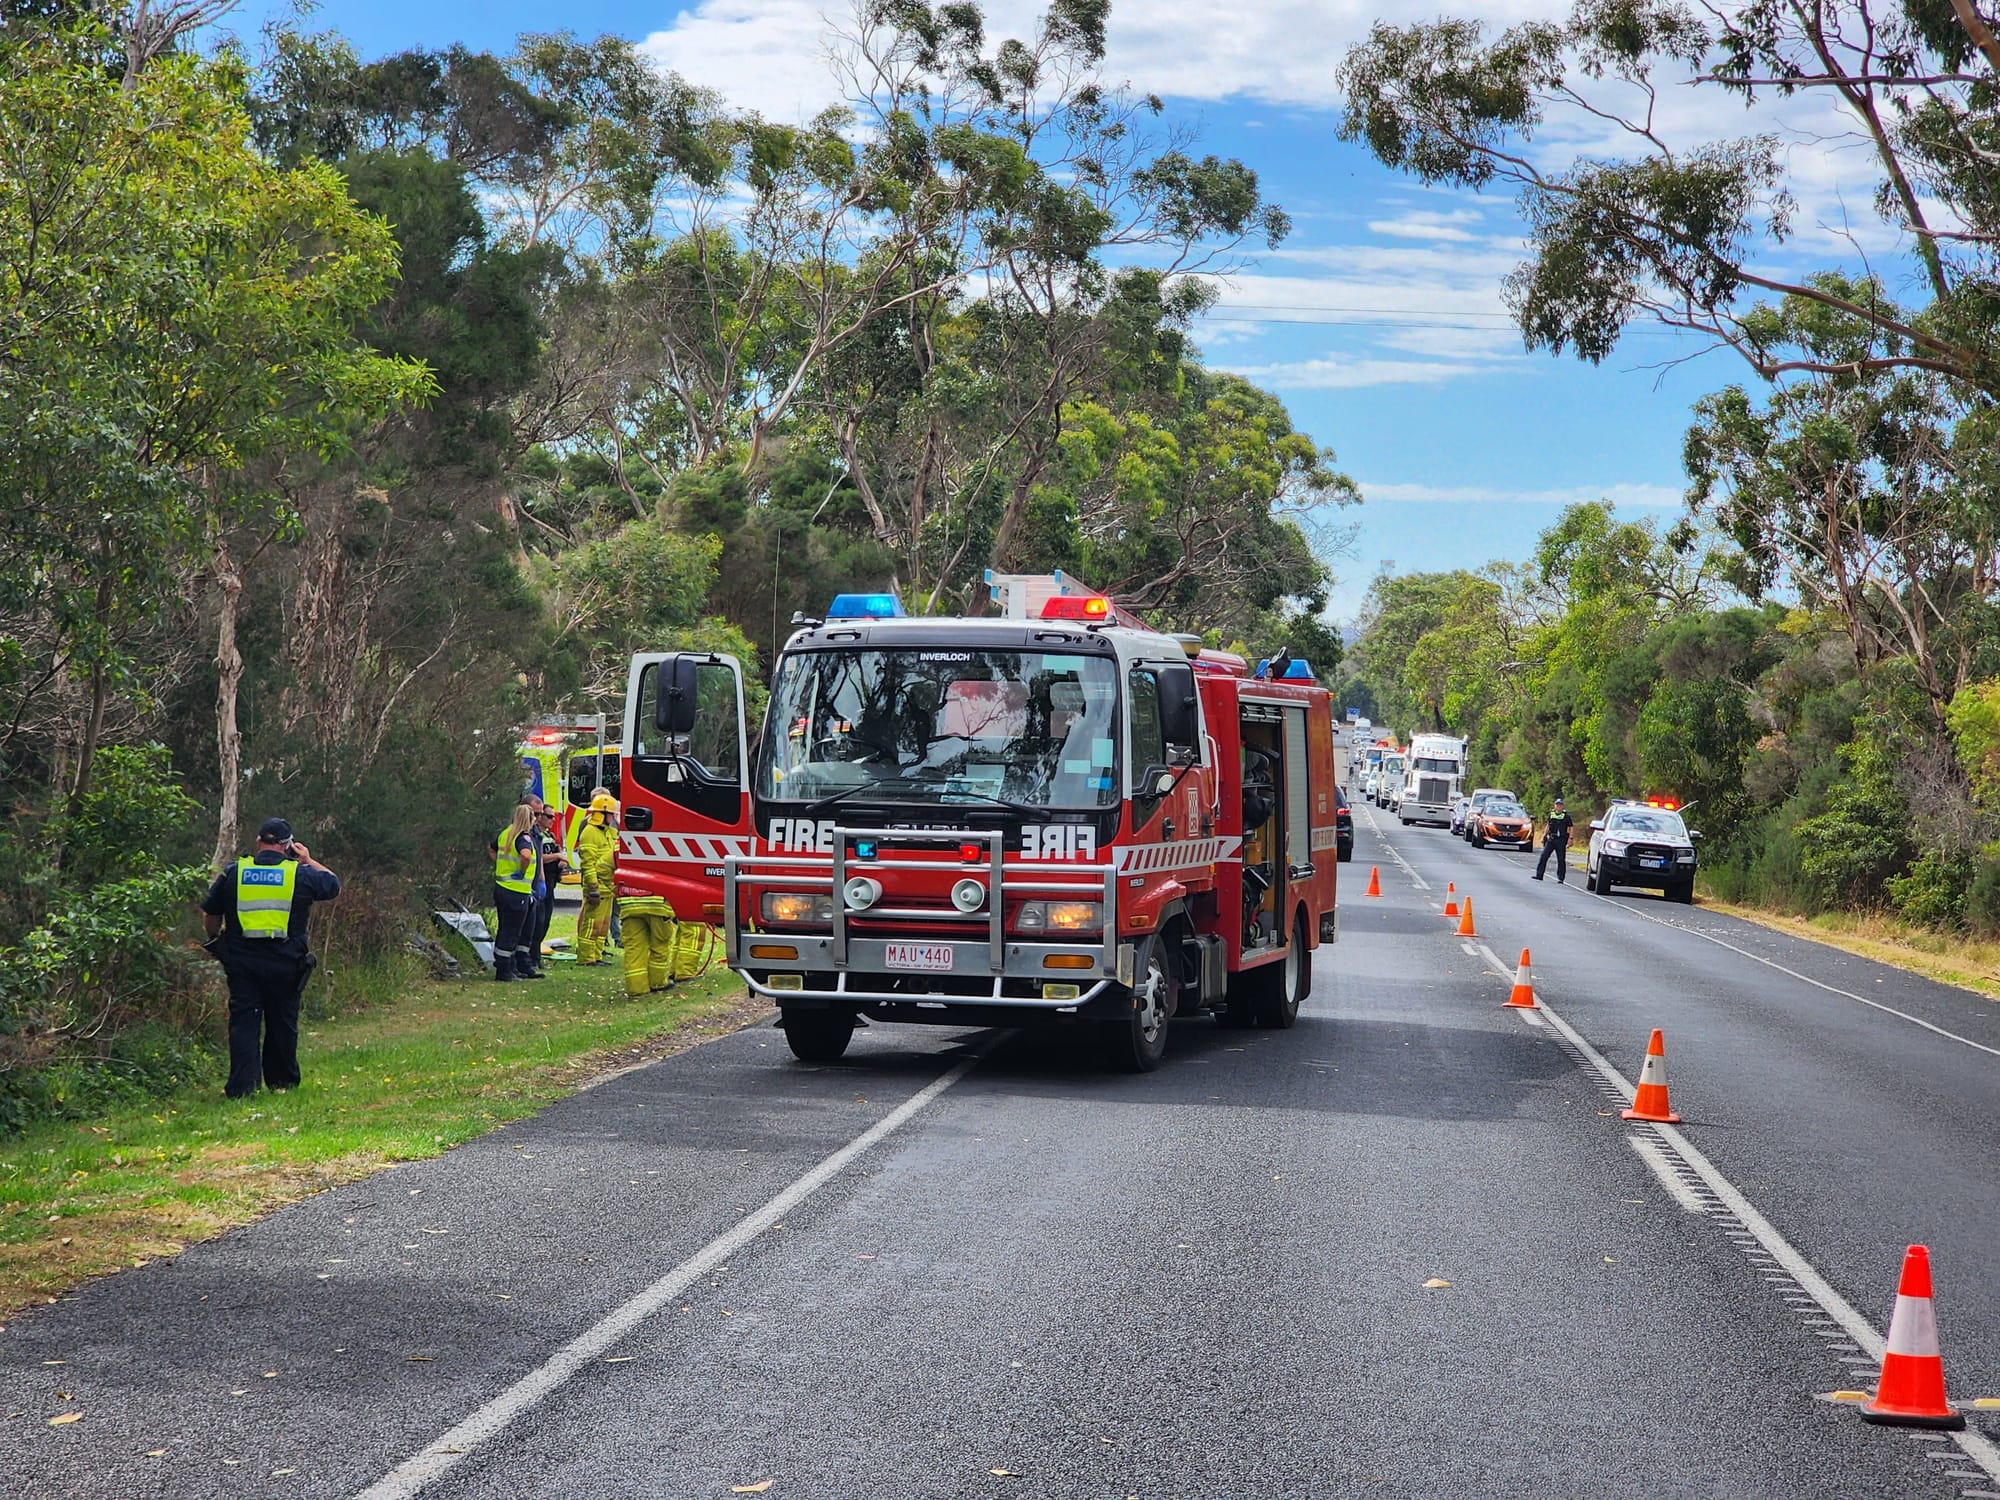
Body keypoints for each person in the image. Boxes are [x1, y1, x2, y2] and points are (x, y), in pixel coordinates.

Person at [200, 818, 340, 1098]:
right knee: (282, 1023)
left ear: (258, 841)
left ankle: (242, 1088)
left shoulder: (234, 872)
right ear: (288, 846)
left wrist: (215, 939)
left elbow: (211, 914)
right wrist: (308, 859)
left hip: (243, 964)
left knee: (244, 1024)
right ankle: (282, 1082)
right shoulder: (299, 874)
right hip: (286, 963)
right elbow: (332, 884)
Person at [491, 800, 537, 981]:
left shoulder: (505, 834)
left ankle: (504, 966)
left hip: (502, 887)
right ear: (530, 820)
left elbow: (491, 849)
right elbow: (526, 856)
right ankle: (505, 971)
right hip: (517, 890)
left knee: (504, 929)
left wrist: (501, 865)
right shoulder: (523, 837)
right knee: (512, 932)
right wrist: (521, 871)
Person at [573, 790, 618, 966]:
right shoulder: (590, 832)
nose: (613, 817)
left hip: (608, 887)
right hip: (597, 887)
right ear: (602, 813)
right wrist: (593, 888)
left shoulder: (608, 831)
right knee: (591, 924)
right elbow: (588, 863)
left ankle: (597, 955)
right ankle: (586, 958)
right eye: (611, 814)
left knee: (603, 925)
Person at [521, 800, 564, 979]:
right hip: (535, 882)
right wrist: (556, 856)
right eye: (548, 816)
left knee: (544, 921)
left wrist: (560, 861)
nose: (551, 819)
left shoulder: (547, 835)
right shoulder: (530, 834)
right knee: (536, 923)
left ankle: (535, 957)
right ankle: (530, 959)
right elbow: (538, 857)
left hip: (549, 881)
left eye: (553, 817)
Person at [615, 878, 678, 997]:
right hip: (657, 905)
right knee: (659, 946)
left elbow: (608, 872)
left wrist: (615, 891)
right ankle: (657, 983)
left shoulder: (627, 864)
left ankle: (637, 988)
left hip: (630, 906)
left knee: (633, 949)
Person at [1534, 796, 1573, 884]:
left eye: (1560, 805)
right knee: (1544, 856)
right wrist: (1544, 835)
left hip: (1561, 840)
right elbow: (1548, 826)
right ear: (1555, 806)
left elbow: (1571, 827)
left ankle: (1561, 878)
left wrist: (1571, 838)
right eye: (1557, 805)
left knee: (1561, 859)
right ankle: (1539, 875)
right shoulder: (1551, 815)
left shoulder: (1566, 816)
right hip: (1551, 839)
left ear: (1562, 806)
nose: (1558, 806)